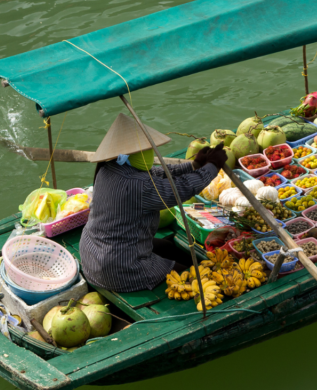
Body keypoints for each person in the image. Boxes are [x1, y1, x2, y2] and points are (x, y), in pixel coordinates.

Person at [79, 113, 228, 292]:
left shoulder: (108, 168)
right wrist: (212, 167)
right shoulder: (139, 186)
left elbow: (158, 173)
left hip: (92, 253)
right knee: (187, 274)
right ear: (129, 153)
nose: (149, 152)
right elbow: (181, 188)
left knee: (167, 247)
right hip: (118, 268)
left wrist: (194, 165)